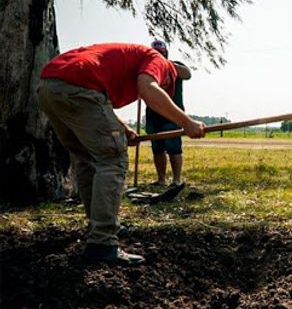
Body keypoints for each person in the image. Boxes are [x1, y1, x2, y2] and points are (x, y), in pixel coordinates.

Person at [37, 43, 206, 265]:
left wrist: (123, 130)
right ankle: (103, 243)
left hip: (49, 88)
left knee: (86, 159)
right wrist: (186, 122)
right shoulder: (160, 62)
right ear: (169, 79)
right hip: (78, 88)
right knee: (113, 159)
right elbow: (148, 89)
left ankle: (98, 226)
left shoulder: (127, 57)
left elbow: (98, 98)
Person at [146, 40, 190, 187]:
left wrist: (167, 64)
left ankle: (176, 180)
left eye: (162, 52)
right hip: (153, 115)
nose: (159, 55)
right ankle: (161, 180)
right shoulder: (149, 69)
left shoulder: (175, 66)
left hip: (173, 114)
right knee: (157, 149)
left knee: (174, 148)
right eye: (156, 52)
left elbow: (187, 74)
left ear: (166, 52)